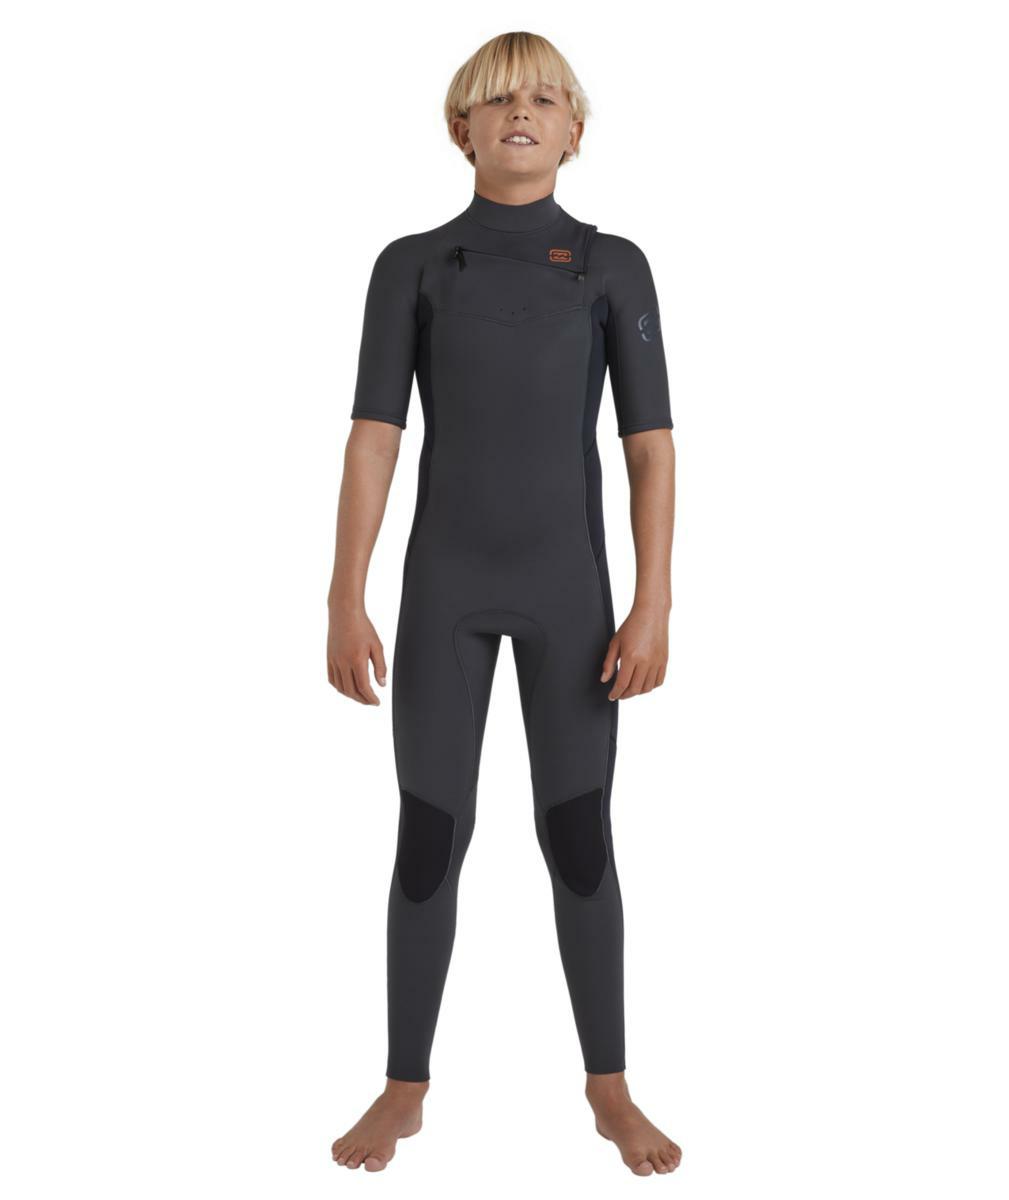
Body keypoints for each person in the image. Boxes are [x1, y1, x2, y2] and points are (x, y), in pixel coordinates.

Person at [326, 31, 681, 1176]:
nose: (518, 112)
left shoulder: (612, 268)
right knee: (429, 833)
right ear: (460, 128)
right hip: (445, 590)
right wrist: (344, 594)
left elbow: (650, 449)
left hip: (571, 594)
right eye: (495, 100)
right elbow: (374, 437)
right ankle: (404, 1086)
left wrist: (652, 602)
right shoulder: (413, 266)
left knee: (578, 835)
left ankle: (609, 1087)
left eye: (542, 99)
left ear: (574, 130)